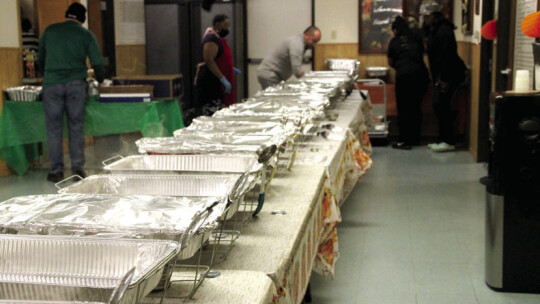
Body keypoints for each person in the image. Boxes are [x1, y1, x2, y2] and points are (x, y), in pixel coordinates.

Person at [38, 3, 104, 182]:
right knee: (76, 126)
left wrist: (45, 74)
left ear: (67, 15)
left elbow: (40, 59)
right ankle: (77, 169)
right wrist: (102, 79)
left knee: (53, 128)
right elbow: (97, 61)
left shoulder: (49, 31)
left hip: (52, 85)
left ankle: (56, 170)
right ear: (82, 19)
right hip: (76, 85)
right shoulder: (85, 34)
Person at [421, 1, 467, 152]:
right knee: (439, 105)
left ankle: (448, 140)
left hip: (449, 74)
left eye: (426, 16)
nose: (424, 19)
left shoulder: (444, 30)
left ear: (434, 15)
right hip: (441, 74)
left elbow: (449, 56)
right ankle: (443, 138)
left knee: (442, 105)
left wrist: (445, 79)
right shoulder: (435, 29)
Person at [387, 16, 430, 150]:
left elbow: (390, 62)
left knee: (404, 109)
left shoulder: (394, 41)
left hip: (404, 76)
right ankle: (415, 138)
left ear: (395, 29)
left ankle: (404, 140)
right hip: (421, 75)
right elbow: (421, 53)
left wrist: (401, 67)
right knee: (416, 107)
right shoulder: (416, 37)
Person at [257, 26, 322, 89]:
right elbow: (297, 71)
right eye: (314, 41)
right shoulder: (297, 44)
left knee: (276, 98)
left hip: (272, 75)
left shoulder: (298, 42)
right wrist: (309, 83)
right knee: (275, 99)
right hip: (270, 75)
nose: (314, 45)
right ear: (306, 35)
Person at [195, 14, 234, 115]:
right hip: (209, 82)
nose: (228, 28)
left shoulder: (216, 39)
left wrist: (230, 68)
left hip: (214, 80)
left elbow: (218, 58)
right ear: (217, 25)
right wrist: (222, 78)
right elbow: (209, 60)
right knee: (212, 112)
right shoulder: (211, 39)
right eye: (226, 25)